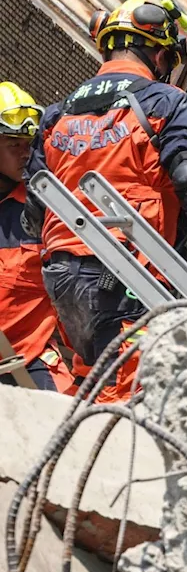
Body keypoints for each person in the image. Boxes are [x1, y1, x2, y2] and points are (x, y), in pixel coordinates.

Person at [23, 0, 187, 402]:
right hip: (127, 270)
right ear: (157, 53)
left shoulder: (57, 114)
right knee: (128, 394)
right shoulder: (164, 101)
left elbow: (35, 203)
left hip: (62, 273)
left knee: (93, 378)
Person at [0, 81, 74, 393]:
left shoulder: (44, 210)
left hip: (25, 359)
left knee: (65, 423)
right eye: (13, 145)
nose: (25, 154)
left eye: (28, 144)